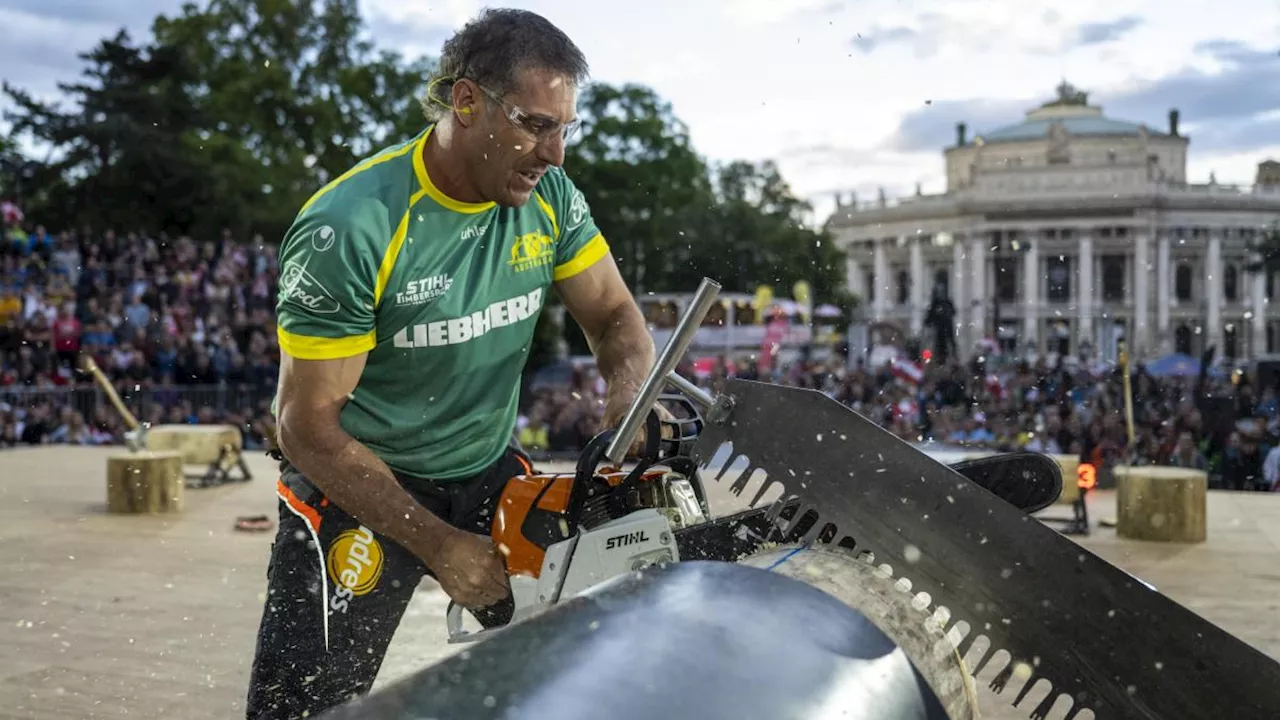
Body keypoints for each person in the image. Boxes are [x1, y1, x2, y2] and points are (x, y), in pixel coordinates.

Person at [245, 9, 657, 718]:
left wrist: (628, 395)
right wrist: (440, 546)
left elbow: (617, 318)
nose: (554, 153)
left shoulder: (550, 198)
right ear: (466, 102)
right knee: (301, 708)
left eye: (564, 127)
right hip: (360, 482)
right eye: (534, 124)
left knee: (590, 648)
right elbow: (305, 427)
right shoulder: (350, 226)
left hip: (483, 464)